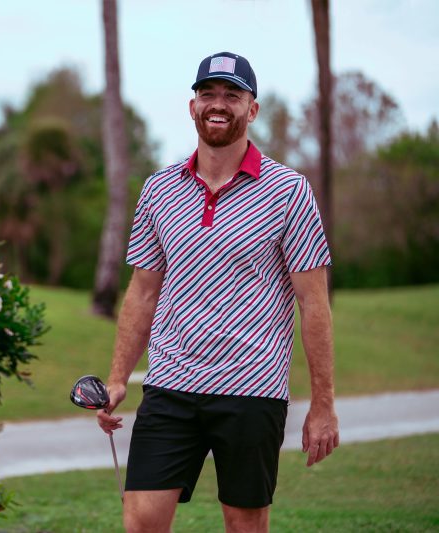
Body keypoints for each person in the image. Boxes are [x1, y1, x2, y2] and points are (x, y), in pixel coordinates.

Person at [97, 52, 340, 533]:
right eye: (208, 93)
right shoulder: (158, 189)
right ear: (192, 107)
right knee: (140, 520)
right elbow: (143, 292)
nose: (218, 104)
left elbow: (313, 302)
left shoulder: (289, 191)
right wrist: (119, 377)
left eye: (232, 94)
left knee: (244, 524)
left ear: (252, 110)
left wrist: (324, 403)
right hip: (169, 386)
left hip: (252, 391)